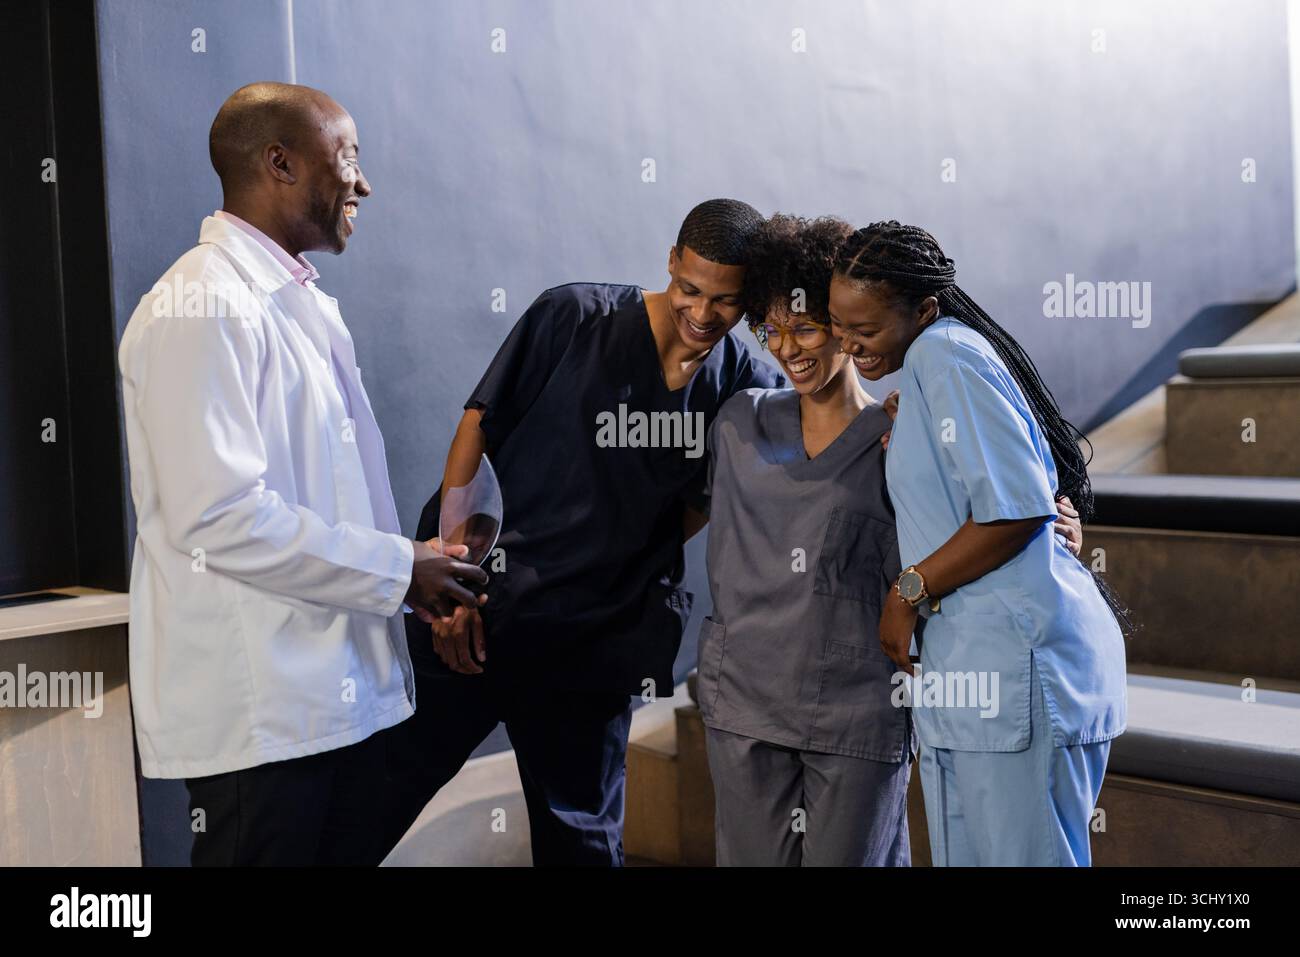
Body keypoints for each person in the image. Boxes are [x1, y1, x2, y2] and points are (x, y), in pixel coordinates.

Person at [117, 82, 486, 866]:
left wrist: (410, 575)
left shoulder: (300, 303)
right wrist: (398, 567)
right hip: (264, 721)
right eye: (347, 156)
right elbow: (217, 518)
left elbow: (321, 498)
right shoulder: (201, 304)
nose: (364, 181)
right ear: (279, 163)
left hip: (335, 703)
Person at [380, 199, 783, 865]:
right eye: (690, 288)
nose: (703, 313)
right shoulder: (572, 316)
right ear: (671, 262)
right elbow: (476, 430)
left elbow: (711, 496)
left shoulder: (741, 381)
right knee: (368, 803)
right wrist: (449, 587)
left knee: (585, 845)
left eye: (727, 301)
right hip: (479, 618)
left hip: (590, 648)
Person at [696, 215, 1083, 866]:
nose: (787, 348)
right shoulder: (738, 421)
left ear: (843, 327)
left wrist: (1058, 523)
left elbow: (1001, 510)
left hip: (857, 710)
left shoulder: (903, 433)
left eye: (807, 327)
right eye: (771, 331)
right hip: (744, 705)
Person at [828, 220, 1128, 866]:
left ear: (924, 308)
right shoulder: (930, 372)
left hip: (1015, 672)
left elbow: (1015, 511)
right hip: (973, 685)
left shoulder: (945, 353)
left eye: (868, 329)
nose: (851, 347)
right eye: (839, 327)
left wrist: (907, 592)